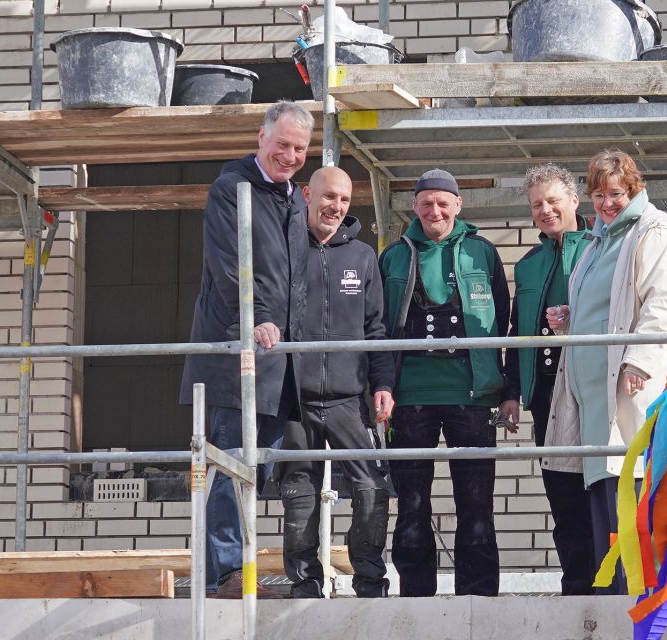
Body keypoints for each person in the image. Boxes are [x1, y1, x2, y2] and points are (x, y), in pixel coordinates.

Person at [179, 101, 313, 599]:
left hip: (279, 361)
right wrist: (254, 318)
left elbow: (296, 275)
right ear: (261, 137)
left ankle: (245, 571)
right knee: (229, 468)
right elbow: (229, 265)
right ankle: (224, 574)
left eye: (300, 148)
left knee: (256, 467)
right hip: (238, 355)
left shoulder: (291, 198)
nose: (290, 155)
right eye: (282, 144)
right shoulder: (232, 189)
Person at [542, 149, 667, 595]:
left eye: (616, 193)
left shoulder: (654, 233)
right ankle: (615, 603)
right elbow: (613, 306)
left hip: (628, 391)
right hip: (593, 403)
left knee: (631, 507)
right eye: (599, 195)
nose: (607, 203)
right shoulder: (598, 241)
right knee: (606, 515)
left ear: (635, 189)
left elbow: (666, 307)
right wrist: (572, 318)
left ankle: (641, 605)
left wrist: (640, 361)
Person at [379, 168, 514, 597]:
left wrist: (508, 390)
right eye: (425, 203)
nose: (434, 210)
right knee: (412, 506)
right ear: (414, 208)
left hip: (471, 397)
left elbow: (504, 324)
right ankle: (416, 599)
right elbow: (378, 325)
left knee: (476, 506)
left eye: (443, 202)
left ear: (458, 205)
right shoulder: (394, 256)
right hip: (409, 397)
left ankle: (477, 598)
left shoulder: (482, 253)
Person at [279, 167, 396, 598]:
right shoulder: (286, 248)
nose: (336, 206)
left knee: (371, 488)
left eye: (344, 200)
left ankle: (370, 583)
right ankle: (305, 585)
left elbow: (376, 328)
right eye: (329, 197)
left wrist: (382, 385)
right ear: (308, 194)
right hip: (294, 397)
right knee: (299, 495)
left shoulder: (363, 256)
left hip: (350, 397)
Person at [503, 164, 595, 595]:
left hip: (590, 387)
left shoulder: (600, 248)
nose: (545, 210)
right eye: (536, 204)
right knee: (561, 494)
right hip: (544, 394)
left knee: (598, 487)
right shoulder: (528, 264)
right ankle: (575, 584)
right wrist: (510, 392)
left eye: (553, 200)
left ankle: (609, 583)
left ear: (575, 201)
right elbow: (513, 331)